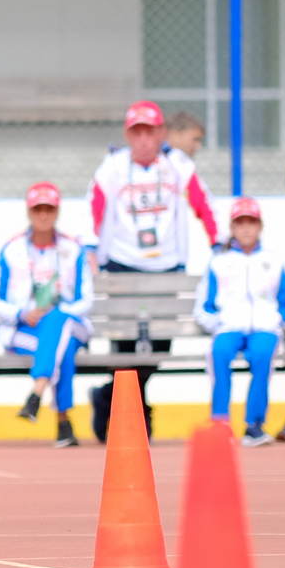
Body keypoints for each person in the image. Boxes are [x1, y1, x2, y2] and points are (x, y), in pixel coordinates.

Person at [86, 99, 215, 440]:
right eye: (137, 132)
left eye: (150, 132)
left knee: (159, 349)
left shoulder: (178, 165)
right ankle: (136, 416)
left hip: (166, 267)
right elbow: (93, 208)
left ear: (161, 133)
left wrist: (217, 242)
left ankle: (106, 397)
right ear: (128, 135)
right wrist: (90, 250)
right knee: (124, 349)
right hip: (122, 266)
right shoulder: (112, 167)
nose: (144, 139)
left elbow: (204, 203)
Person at [0, 181, 92, 448]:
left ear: (57, 211)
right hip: (24, 329)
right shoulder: (12, 250)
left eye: (49, 209)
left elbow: (85, 300)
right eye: (38, 209)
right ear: (29, 211)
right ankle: (63, 423)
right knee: (61, 348)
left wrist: (55, 314)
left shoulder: (73, 249)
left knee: (57, 321)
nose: (43, 215)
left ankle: (37, 392)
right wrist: (21, 313)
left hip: (68, 322)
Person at [198, 197, 285, 446]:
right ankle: (220, 423)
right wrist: (218, 323)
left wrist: (277, 321)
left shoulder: (273, 261)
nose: (246, 228)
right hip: (229, 328)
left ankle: (254, 425)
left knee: (262, 355)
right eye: (240, 223)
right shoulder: (219, 262)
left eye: (251, 222)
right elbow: (205, 305)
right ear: (232, 228)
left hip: (264, 328)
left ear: (260, 226)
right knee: (219, 354)